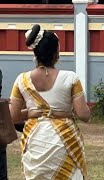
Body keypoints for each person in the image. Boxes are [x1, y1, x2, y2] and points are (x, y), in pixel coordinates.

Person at [9, 24, 91, 180]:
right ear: (56, 53)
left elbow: (13, 117)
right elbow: (84, 115)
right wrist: (66, 112)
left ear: (35, 52)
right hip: (65, 141)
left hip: (35, 140)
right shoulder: (71, 78)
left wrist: (32, 112)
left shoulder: (21, 80)